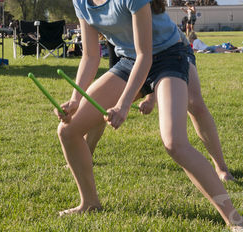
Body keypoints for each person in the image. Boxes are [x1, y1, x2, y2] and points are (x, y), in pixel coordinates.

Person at [56, 0, 243, 232]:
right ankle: (89, 202)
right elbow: (91, 55)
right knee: (68, 129)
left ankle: (234, 218)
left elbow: (147, 55)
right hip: (130, 60)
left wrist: (122, 105)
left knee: (174, 142)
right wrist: (76, 100)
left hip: (167, 57)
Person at [85, 35, 234, 182]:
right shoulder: (112, 32)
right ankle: (85, 156)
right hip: (132, 58)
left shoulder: (138, 14)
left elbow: (158, 52)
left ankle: (221, 168)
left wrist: (151, 97)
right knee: (104, 104)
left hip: (172, 50)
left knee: (194, 102)